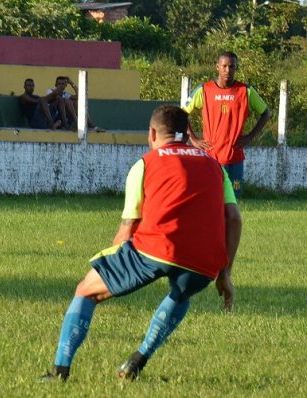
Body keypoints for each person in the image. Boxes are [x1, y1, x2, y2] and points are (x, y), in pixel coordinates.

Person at [41, 105, 242, 382]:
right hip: (205, 264)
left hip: (156, 249)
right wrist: (224, 273)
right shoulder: (215, 166)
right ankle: (136, 362)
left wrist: (110, 263)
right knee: (181, 295)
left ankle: (59, 373)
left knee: (86, 290)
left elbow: (128, 228)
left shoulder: (147, 162)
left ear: (152, 133)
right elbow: (233, 219)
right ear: (187, 135)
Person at [182, 51, 271, 197]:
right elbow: (182, 114)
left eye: (232, 66)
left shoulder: (245, 91)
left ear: (236, 68)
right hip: (210, 156)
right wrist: (193, 138)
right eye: (224, 66)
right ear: (217, 67)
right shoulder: (204, 90)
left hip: (234, 155)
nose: (227, 70)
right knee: (210, 197)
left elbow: (266, 113)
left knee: (234, 200)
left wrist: (250, 137)